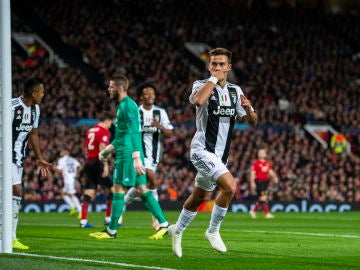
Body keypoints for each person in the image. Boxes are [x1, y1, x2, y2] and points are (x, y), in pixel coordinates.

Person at [168, 48, 258, 257]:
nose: (217, 67)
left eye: (221, 64)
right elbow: (198, 101)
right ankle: (213, 231)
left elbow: (252, 122)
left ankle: (177, 230)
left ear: (229, 67)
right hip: (202, 150)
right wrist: (213, 80)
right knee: (230, 186)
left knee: (199, 197)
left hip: (221, 156)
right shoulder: (201, 85)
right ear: (209, 66)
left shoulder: (236, 91)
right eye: (213, 64)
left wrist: (250, 108)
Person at [89, 73, 170, 240]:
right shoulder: (122, 106)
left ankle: (111, 231)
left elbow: (134, 131)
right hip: (126, 150)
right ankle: (164, 225)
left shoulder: (128, 106)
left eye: (111, 87)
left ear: (119, 88)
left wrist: (136, 157)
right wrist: (108, 149)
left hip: (127, 155)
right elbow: (122, 135)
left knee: (117, 189)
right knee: (142, 190)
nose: (108, 89)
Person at [123, 82, 174, 230]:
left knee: (143, 187)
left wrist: (160, 127)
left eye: (152, 93)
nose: (150, 95)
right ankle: (157, 221)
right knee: (152, 179)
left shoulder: (160, 112)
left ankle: (121, 207)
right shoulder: (135, 112)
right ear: (140, 97)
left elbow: (170, 132)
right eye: (146, 93)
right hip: (138, 154)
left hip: (154, 155)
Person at [11, 78, 52, 249]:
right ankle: (10, 237)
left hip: (18, 157)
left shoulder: (36, 109)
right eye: (42, 92)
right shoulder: (11, 107)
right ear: (34, 93)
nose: (43, 95)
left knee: (13, 195)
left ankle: (9, 236)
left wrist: (39, 157)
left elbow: (33, 134)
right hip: (5, 156)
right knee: (17, 191)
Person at [80, 111, 114, 228]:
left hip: (88, 162)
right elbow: (102, 148)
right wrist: (105, 164)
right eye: (111, 123)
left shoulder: (90, 130)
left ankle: (83, 221)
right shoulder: (103, 132)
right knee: (113, 189)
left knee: (89, 192)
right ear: (107, 121)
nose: (111, 125)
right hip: (98, 162)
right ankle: (108, 219)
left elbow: (86, 148)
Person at [249, 148, 279, 219]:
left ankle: (253, 211)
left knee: (262, 198)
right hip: (259, 182)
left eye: (263, 152)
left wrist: (275, 177)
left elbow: (271, 172)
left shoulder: (267, 163)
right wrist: (252, 182)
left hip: (265, 182)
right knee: (263, 197)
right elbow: (252, 173)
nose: (261, 153)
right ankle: (266, 213)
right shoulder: (256, 163)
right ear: (258, 154)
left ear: (265, 154)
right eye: (260, 152)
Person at [54, 149, 81, 217]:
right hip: (71, 178)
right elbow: (80, 166)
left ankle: (80, 211)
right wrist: (76, 173)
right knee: (63, 193)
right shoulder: (73, 159)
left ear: (66, 152)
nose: (61, 152)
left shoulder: (62, 160)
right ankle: (72, 207)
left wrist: (54, 168)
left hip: (68, 179)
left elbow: (59, 171)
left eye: (62, 151)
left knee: (72, 194)